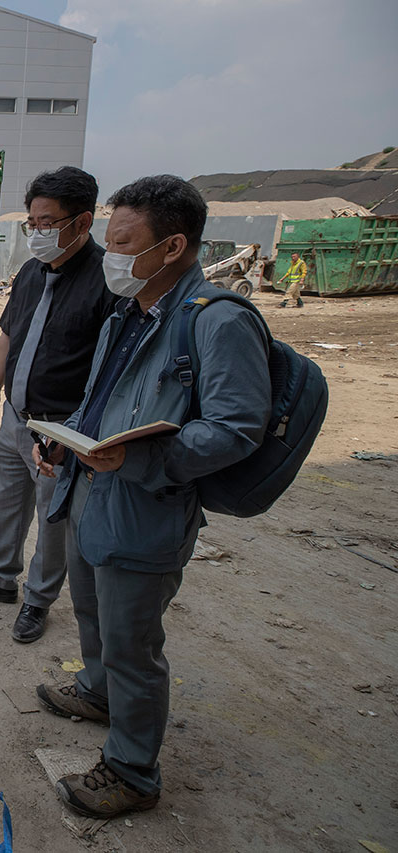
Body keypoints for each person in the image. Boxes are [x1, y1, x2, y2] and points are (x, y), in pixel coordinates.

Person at [32, 175, 271, 818]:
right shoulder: (129, 312)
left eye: (123, 244)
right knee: (92, 612)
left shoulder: (218, 321)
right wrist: (64, 438)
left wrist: (140, 457)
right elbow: (100, 398)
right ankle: (97, 692)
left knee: (132, 645)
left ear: (172, 247)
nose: (110, 256)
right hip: (92, 492)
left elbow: (236, 429)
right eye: (109, 242)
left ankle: (132, 771)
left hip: (145, 509)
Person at [0, 167, 117, 643]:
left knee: (52, 519)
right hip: (15, 419)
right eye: (32, 223)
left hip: (60, 431)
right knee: (9, 503)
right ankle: (0, 577)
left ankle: (38, 600)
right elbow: (8, 334)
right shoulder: (30, 273)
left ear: (81, 223)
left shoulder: (106, 281)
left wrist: (74, 434)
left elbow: (108, 370)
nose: (37, 232)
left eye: (47, 223)